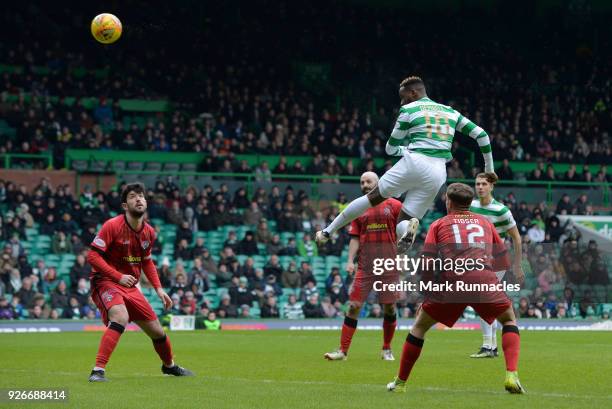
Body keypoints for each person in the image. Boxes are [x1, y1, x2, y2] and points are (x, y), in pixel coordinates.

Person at [316, 76, 495, 256]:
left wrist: (405, 149)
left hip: (415, 162)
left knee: (372, 197)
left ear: (414, 92)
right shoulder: (451, 113)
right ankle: (407, 230)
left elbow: (390, 148)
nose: (402, 101)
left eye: (404, 97)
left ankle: (327, 231)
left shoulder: (409, 109)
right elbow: (482, 136)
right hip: (438, 172)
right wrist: (489, 169)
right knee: (406, 218)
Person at [386, 183, 524, 394]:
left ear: (448, 201)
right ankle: (512, 375)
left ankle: (401, 383)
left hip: (452, 283)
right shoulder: (486, 223)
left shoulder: (438, 224)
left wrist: (427, 295)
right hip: (484, 279)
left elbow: (427, 262)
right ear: (470, 203)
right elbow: (503, 260)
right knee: (509, 319)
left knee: (419, 327)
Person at [86, 183, 193, 382]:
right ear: (125, 205)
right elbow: (92, 256)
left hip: (130, 286)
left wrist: (159, 289)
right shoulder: (112, 226)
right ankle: (97, 371)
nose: (138, 199)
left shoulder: (149, 232)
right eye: (133, 196)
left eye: (141, 196)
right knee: (120, 316)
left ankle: (169, 366)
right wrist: (118, 277)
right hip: (107, 281)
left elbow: (146, 261)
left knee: (158, 332)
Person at [324, 172, 402, 362]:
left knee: (390, 307)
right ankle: (342, 351)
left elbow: (405, 230)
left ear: (379, 183)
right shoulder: (358, 208)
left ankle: (387, 349)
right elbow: (355, 237)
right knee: (353, 306)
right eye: (362, 182)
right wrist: (350, 260)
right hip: (365, 266)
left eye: (369, 181)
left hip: (388, 265)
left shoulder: (395, 205)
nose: (365, 185)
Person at [468, 173, 524, 358]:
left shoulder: (501, 210)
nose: (480, 187)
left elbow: (516, 237)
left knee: (482, 300)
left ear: (491, 186)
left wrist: (518, 264)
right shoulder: (471, 206)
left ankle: (488, 346)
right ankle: (491, 346)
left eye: (484, 184)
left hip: (496, 261)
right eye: (477, 184)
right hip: (476, 260)